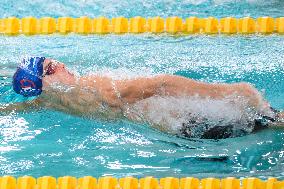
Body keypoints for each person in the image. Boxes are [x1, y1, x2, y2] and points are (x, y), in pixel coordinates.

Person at [1, 57, 284, 139]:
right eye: (51, 68)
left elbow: (19, 108)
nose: (61, 65)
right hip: (190, 123)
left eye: (55, 61)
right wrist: (230, 92)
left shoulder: (51, 100)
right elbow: (161, 84)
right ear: (44, 83)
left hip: (177, 131)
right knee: (272, 121)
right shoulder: (95, 88)